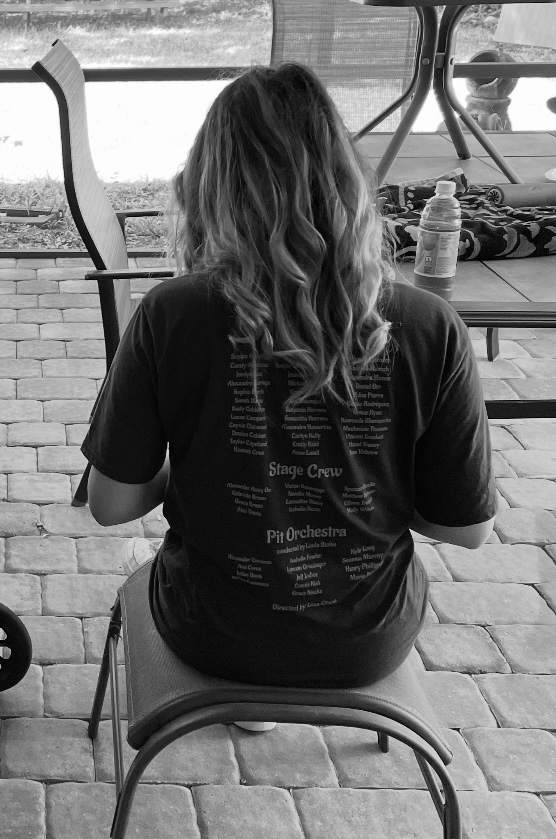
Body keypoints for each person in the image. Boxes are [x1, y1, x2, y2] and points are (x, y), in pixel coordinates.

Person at [81, 62, 496, 693]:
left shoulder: (172, 314)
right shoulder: (431, 325)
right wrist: (363, 493)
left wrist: (201, 478)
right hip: (366, 644)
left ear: (208, 184)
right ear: (348, 181)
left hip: (211, 632)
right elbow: (468, 528)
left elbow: (110, 506)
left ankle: (252, 695)